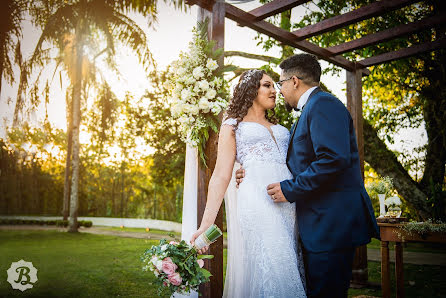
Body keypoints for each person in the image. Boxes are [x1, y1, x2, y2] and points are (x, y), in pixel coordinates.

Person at [236, 54, 380, 298]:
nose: (278, 91)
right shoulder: (312, 109)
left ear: (294, 81)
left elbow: (333, 159)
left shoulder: (323, 105)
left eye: (279, 83)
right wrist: (246, 172)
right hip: (318, 223)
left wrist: (290, 189)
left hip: (330, 224)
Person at [190, 69, 307, 298]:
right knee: (276, 264)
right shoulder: (232, 125)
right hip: (256, 199)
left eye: (274, 85)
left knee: (286, 260)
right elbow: (221, 174)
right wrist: (206, 224)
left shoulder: (280, 126)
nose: (274, 90)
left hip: (287, 202)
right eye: (267, 85)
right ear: (251, 90)